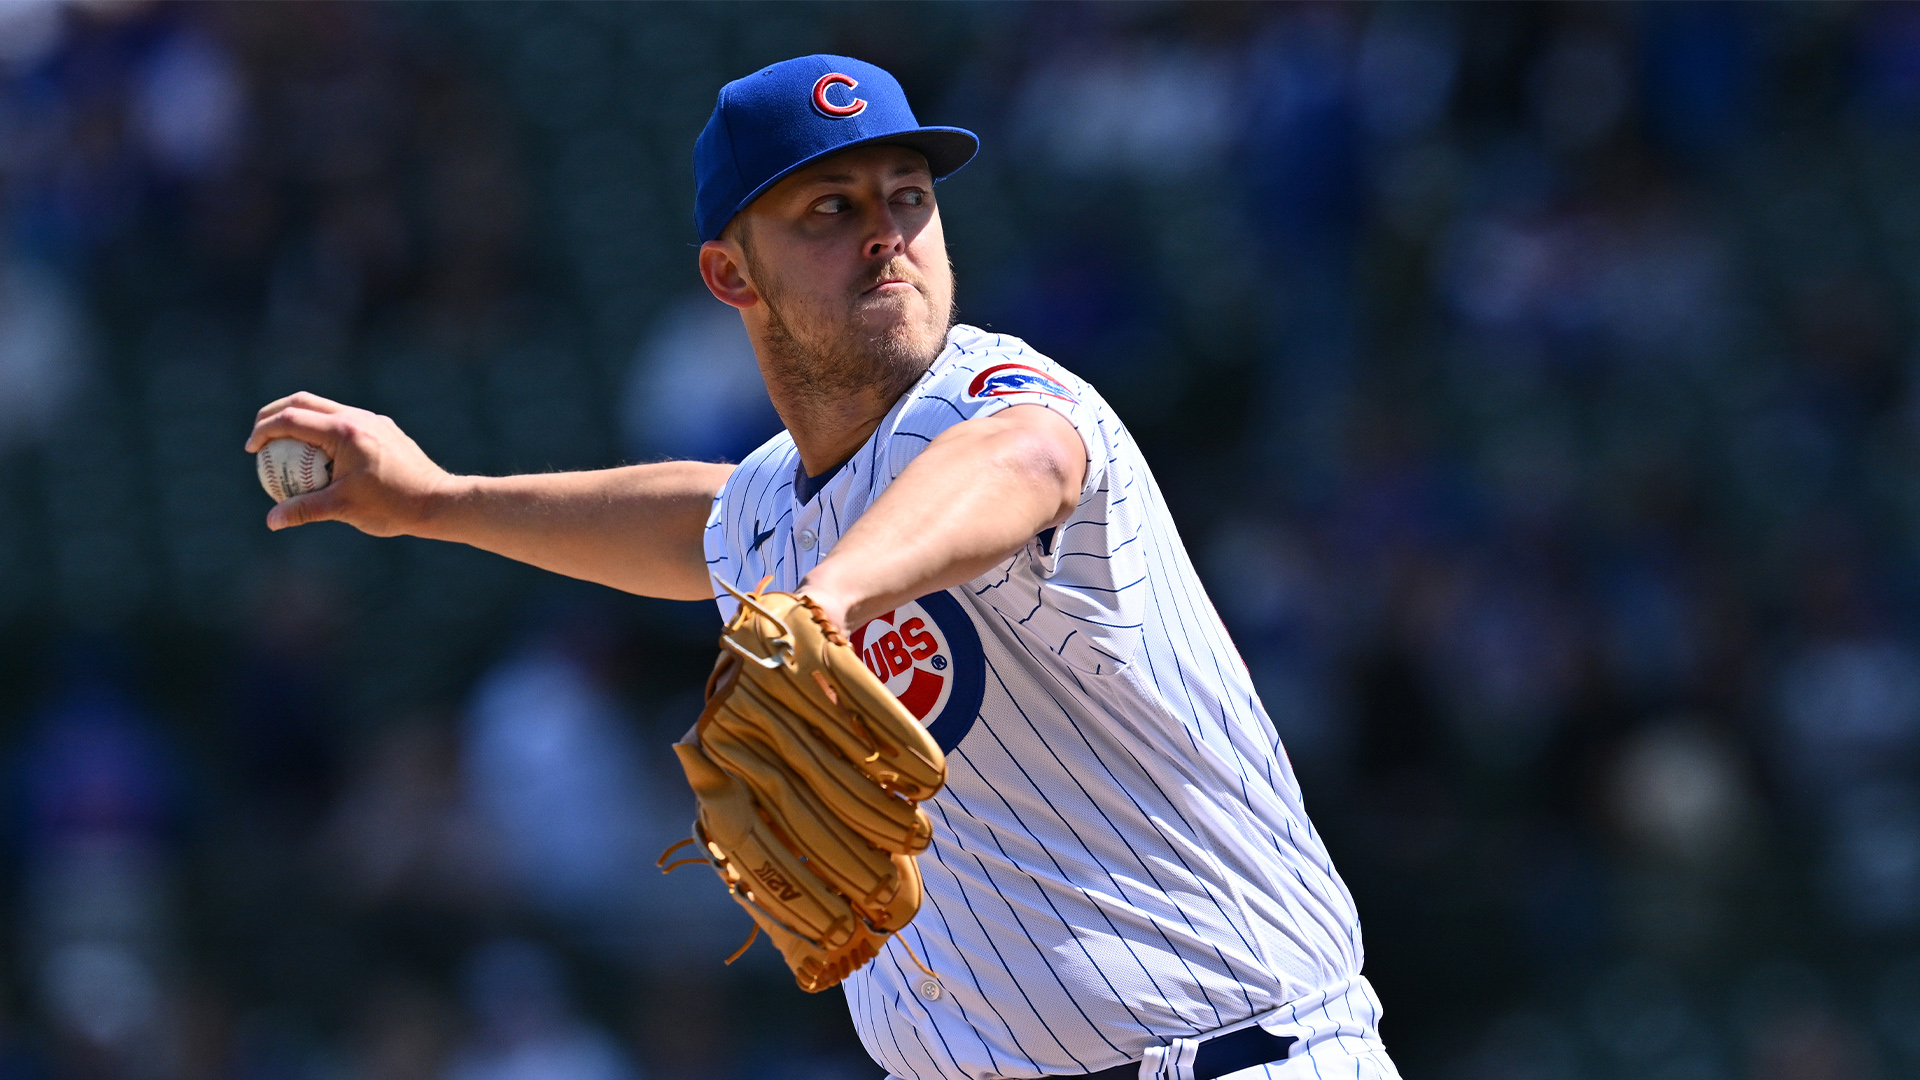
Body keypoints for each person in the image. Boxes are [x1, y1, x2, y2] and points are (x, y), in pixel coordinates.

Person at [247, 54, 1399, 1080]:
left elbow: (1026, 460)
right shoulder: (777, 507)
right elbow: (700, 521)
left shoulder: (1000, 397)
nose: (885, 233)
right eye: (831, 209)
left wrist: (830, 601)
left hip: (1234, 1052)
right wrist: (439, 502)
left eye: (909, 197)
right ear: (731, 275)